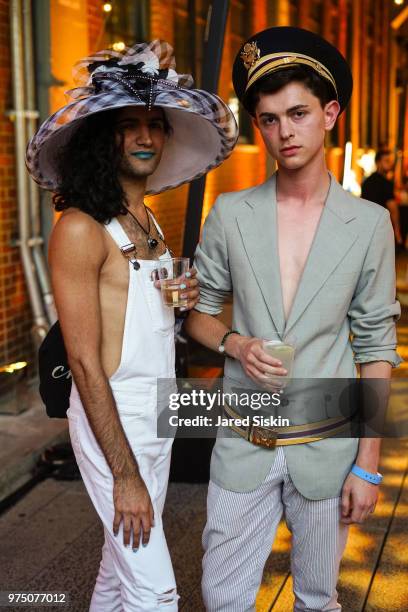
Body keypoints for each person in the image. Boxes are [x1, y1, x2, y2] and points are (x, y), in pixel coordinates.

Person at [185, 27, 401, 611]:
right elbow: (198, 319)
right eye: (269, 119)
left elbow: (377, 346)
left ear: (331, 114)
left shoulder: (370, 224)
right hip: (244, 431)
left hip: (329, 437)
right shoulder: (230, 213)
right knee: (223, 596)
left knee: (316, 597)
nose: (284, 132)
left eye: (298, 113)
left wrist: (370, 465)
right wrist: (233, 342)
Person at [26, 40, 238, 611]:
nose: (146, 137)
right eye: (129, 125)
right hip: (110, 421)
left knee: (118, 574)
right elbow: (85, 363)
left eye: (155, 123)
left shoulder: (147, 222)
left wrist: (182, 303)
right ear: (103, 138)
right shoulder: (80, 229)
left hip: (157, 415)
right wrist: (123, 475)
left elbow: (149, 314)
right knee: (155, 591)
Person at [361, 150, 402, 246]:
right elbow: (393, 209)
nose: (390, 164)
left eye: (390, 161)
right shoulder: (386, 183)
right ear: (378, 162)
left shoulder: (366, 181)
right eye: (386, 161)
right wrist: (397, 231)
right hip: (381, 227)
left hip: (367, 226)